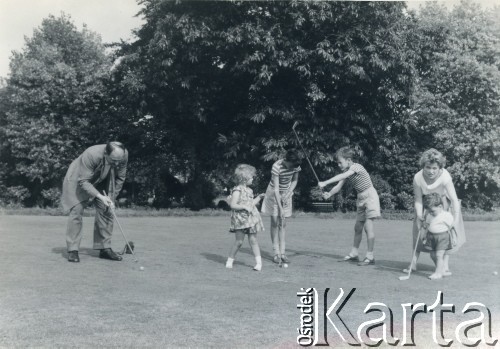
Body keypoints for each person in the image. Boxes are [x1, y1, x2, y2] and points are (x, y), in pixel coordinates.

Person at [61, 142, 128, 262]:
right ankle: (73, 250)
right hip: (79, 178)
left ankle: (104, 248)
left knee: (106, 208)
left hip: (104, 177)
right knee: (77, 209)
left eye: (119, 160)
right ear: (106, 153)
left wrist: (111, 199)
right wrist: (101, 196)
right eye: (114, 160)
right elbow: (84, 182)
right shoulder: (91, 154)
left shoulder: (123, 155)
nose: (117, 163)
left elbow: (120, 178)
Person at [405, 148, 465, 275]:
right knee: (418, 233)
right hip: (427, 204)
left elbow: (454, 200)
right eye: (428, 167)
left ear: (440, 168)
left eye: (434, 168)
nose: (431, 171)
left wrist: (454, 219)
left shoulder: (445, 176)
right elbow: (418, 200)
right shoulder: (418, 177)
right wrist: (420, 216)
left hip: (443, 204)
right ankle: (413, 263)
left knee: (445, 234)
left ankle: (445, 265)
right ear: (423, 166)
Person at [319, 146, 381, 266]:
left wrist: (325, 182)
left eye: (340, 162)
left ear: (348, 160)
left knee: (368, 227)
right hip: (361, 198)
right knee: (358, 227)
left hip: (370, 196)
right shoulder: (346, 172)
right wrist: (329, 193)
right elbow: (338, 186)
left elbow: (342, 176)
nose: (338, 165)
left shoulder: (355, 167)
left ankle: (370, 256)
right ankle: (354, 254)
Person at [260, 149, 301, 264]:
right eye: (291, 166)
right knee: (274, 222)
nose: (292, 169)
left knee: (283, 223)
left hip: (286, 192)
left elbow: (295, 180)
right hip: (274, 193)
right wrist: (280, 208)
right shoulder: (276, 167)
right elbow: (276, 189)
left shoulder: (295, 165)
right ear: (286, 160)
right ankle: (276, 253)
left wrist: (288, 193)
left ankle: (283, 253)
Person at [226, 164, 265, 271]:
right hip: (240, 219)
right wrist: (243, 206)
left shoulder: (250, 190)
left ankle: (258, 263)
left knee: (253, 240)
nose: (253, 178)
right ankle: (230, 260)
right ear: (244, 178)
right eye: (251, 177)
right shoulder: (237, 190)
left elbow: (251, 204)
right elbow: (233, 205)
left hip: (251, 218)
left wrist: (259, 197)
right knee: (239, 242)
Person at [421, 193, 454, 280]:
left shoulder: (446, 215)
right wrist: (424, 234)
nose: (431, 213)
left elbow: (451, 227)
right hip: (431, 236)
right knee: (432, 255)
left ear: (440, 206)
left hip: (442, 237)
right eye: (429, 211)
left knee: (439, 255)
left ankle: (438, 273)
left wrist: (453, 238)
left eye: (432, 211)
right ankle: (441, 269)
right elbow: (427, 226)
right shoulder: (429, 215)